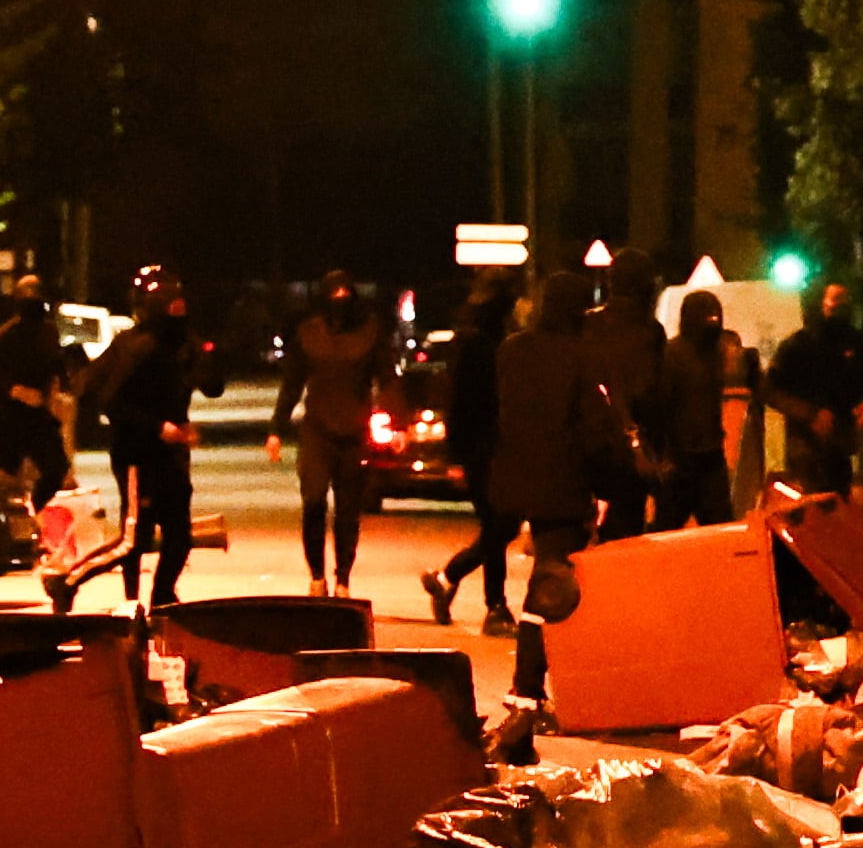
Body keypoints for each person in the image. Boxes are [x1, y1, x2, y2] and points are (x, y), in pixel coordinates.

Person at [482, 270, 633, 705]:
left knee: (543, 576)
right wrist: (606, 485)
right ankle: (526, 689)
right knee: (549, 584)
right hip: (561, 484)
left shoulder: (511, 351)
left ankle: (531, 685)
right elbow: (593, 431)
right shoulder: (581, 357)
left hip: (512, 476)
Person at [270, 272, 395, 595]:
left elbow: (387, 378)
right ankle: (316, 575)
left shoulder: (370, 332)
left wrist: (394, 422)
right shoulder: (309, 333)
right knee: (313, 500)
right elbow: (292, 383)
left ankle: (342, 578)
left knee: (348, 510)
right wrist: (276, 429)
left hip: (354, 432)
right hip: (317, 429)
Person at [418, 280, 519, 632]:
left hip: (485, 448)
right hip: (486, 449)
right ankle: (494, 607)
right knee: (499, 525)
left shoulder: (475, 345)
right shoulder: (484, 347)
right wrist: (461, 453)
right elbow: (466, 403)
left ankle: (448, 578)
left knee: (499, 526)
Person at [101, 275, 201, 608]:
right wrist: (158, 428)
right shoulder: (139, 348)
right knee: (136, 536)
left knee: (179, 532)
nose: (179, 320)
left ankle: (161, 596)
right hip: (136, 455)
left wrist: (180, 429)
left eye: (182, 312)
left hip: (170, 455)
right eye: (173, 312)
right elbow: (111, 401)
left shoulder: (179, 347)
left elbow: (205, 384)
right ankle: (127, 598)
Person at [761, 281, 863, 497]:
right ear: (821, 303)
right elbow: (770, 389)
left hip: (840, 443)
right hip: (805, 445)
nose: (839, 306)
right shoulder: (798, 344)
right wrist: (810, 414)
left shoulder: (856, 342)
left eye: (844, 300)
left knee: (840, 505)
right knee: (810, 506)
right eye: (834, 300)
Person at [578, 263, 667, 538]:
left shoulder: (588, 323)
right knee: (624, 530)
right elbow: (651, 393)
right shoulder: (649, 332)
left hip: (586, 443)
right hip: (628, 449)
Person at [0, 278, 71, 510]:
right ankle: (5, 530)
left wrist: (62, 385)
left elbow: (57, 365)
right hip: (6, 419)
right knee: (2, 481)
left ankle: (30, 512)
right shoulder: (7, 335)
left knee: (55, 469)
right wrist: (14, 390)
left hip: (36, 418)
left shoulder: (48, 333)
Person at [652, 290, 737, 529]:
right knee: (671, 530)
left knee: (717, 530)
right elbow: (663, 405)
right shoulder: (674, 354)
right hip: (683, 458)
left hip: (707, 456)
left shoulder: (712, 352)